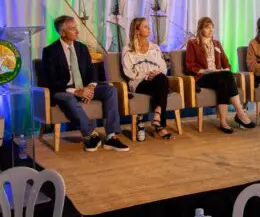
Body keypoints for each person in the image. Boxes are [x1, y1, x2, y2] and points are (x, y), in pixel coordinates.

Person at [41, 15, 129, 152]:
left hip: (84, 87)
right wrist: (76, 91)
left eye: (76, 28)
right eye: (73, 29)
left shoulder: (82, 48)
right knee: (68, 98)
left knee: (110, 90)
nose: (77, 31)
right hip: (64, 91)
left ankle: (111, 137)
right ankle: (90, 134)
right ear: (62, 32)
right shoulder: (50, 51)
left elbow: (91, 72)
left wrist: (90, 87)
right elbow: (49, 81)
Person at [185, 17, 256, 134]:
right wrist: (205, 71)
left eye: (212, 27)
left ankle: (223, 122)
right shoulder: (193, 43)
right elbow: (190, 65)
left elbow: (226, 63)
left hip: (218, 77)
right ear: (200, 28)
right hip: (202, 77)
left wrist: (225, 69)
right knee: (225, 76)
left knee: (224, 79)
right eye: (207, 27)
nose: (211, 30)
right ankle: (240, 113)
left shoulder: (217, 44)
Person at [122, 17, 174, 139]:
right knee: (162, 83)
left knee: (161, 78)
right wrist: (146, 76)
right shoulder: (128, 49)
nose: (149, 29)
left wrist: (155, 74)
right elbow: (128, 71)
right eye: (145, 26)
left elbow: (163, 68)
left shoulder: (155, 47)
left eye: (148, 26)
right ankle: (160, 125)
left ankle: (157, 116)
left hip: (157, 80)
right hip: (139, 83)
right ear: (137, 30)